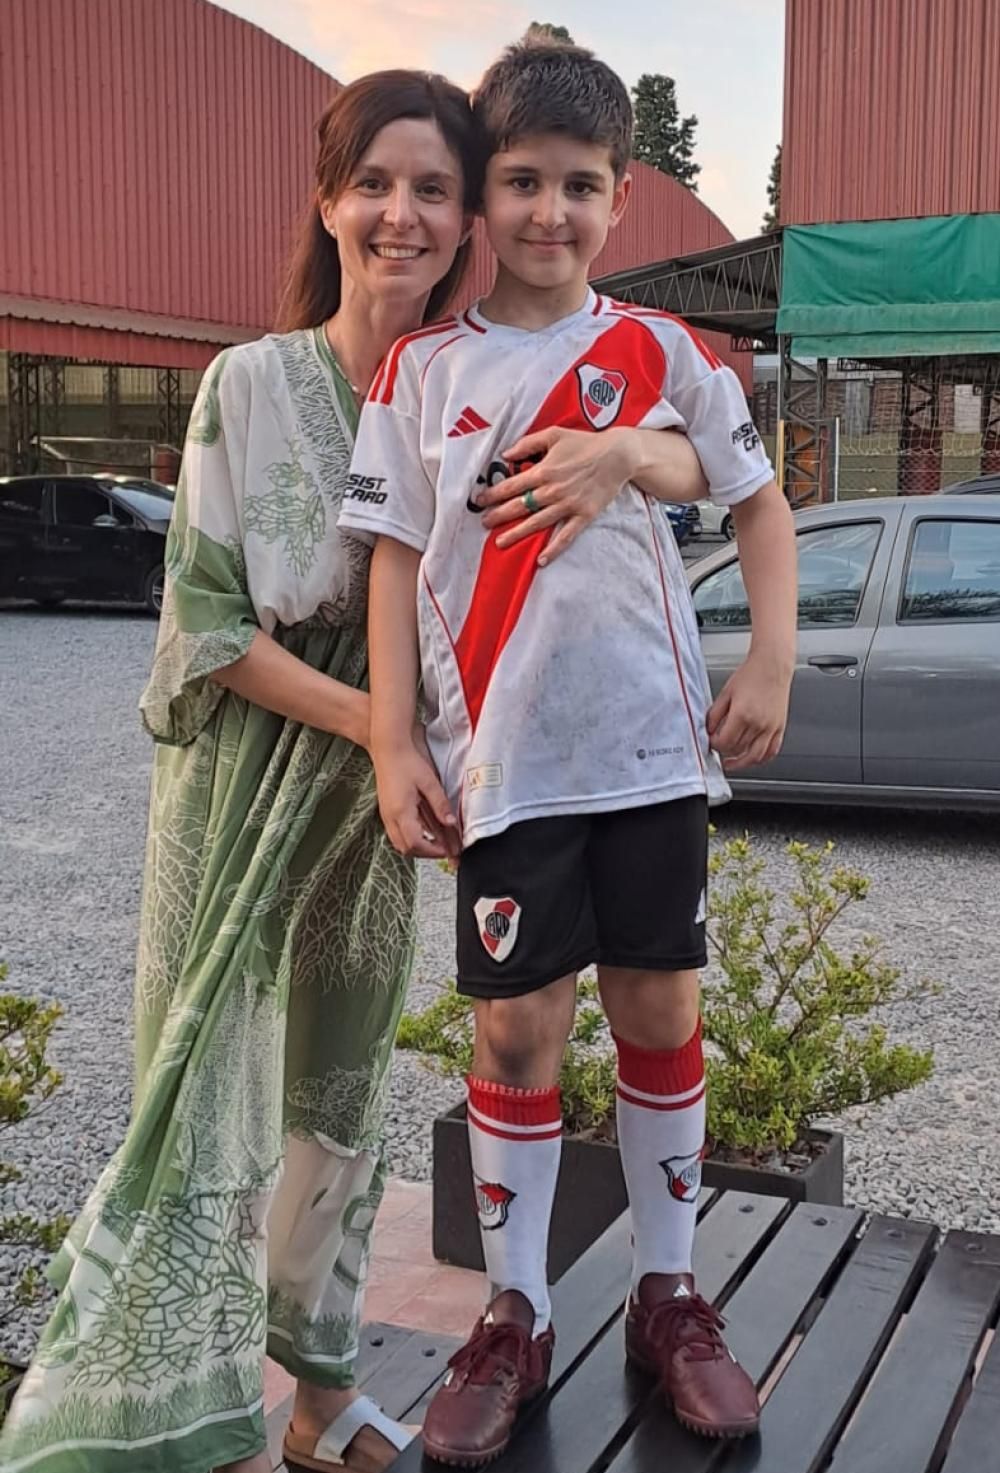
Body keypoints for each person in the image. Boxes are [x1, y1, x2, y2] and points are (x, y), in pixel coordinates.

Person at [0, 67, 707, 1473]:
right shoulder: (248, 384)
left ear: (469, 216)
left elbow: (651, 485)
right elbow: (208, 630)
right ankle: (171, 1411)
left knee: (336, 1096)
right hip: (251, 802)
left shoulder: (468, 376)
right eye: (372, 184)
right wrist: (390, 724)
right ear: (327, 202)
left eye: (433, 188)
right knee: (207, 1100)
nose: (402, 214)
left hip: (379, 819)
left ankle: (320, 1399)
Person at [338, 38, 797, 1469]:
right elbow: (392, 561)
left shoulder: (661, 351)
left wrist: (771, 657)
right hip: (506, 767)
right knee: (516, 1030)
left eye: (581, 185)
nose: (551, 211)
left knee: (659, 1011)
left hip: (652, 752)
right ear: (485, 194)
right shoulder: (421, 370)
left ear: (621, 198)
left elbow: (758, 501)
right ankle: (516, 1309)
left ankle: (671, 1292)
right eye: (524, 181)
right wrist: (391, 740)